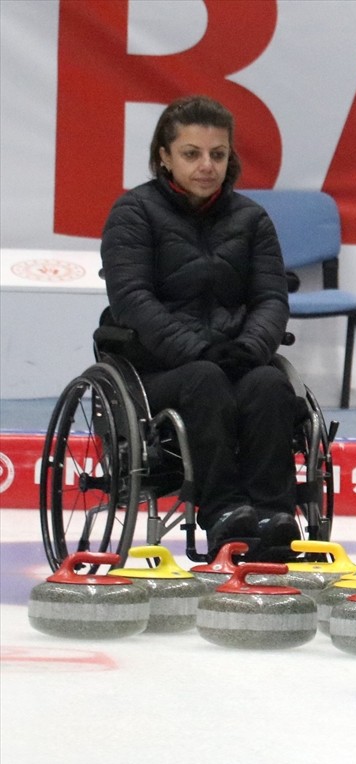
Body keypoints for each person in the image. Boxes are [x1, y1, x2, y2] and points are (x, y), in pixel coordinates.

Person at [99, 95, 300, 561]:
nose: (206, 165)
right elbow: (132, 300)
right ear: (165, 156)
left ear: (230, 159)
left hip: (235, 358)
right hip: (158, 371)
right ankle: (226, 512)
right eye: (192, 153)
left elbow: (271, 297)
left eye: (218, 154)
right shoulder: (133, 213)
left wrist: (250, 348)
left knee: (270, 382)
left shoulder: (252, 219)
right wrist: (198, 349)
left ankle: (274, 515)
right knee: (205, 379)